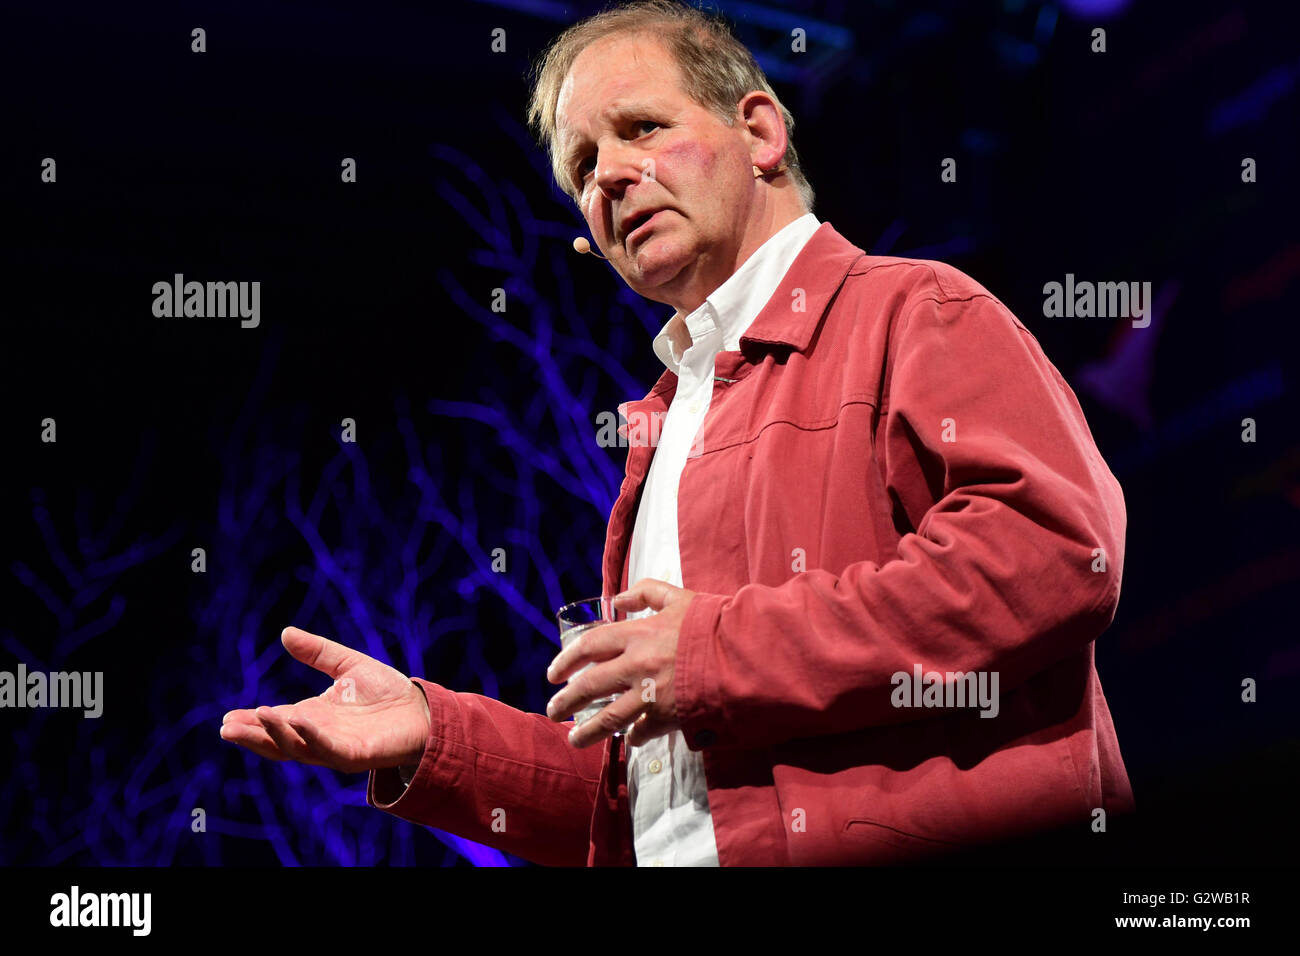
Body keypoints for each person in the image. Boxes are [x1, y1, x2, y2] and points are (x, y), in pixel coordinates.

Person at [220, 0, 1135, 866]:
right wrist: (437, 737)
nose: (610, 175)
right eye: (581, 168)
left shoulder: (913, 309)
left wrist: (711, 651)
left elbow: (1054, 554)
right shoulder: (666, 426)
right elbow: (655, 804)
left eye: (642, 129)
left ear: (762, 133)